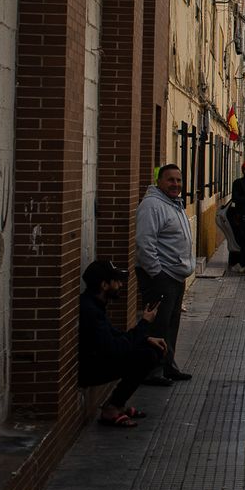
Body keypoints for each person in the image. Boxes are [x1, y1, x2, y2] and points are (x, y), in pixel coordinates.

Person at [78, 260, 167, 427]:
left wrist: (146, 338)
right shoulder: (90, 310)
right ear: (104, 285)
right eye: (116, 281)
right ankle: (111, 408)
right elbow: (115, 348)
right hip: (90, 369)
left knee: (151, 348)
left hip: (99, 360)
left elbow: (113, 334)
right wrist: (144, 324)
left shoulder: (95, 304)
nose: (120, 285)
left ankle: (118, 404)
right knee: (147, 355)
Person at [136, 164, 194, 383]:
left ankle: (168, 366)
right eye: (170, 180)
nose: (176, 185)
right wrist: (157, 273)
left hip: (175, 276)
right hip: (161, 276)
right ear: (159, 181)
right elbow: (144, 242)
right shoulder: (152, 205)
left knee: (171, 323)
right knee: (158, 324)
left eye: (179, 180)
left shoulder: (173, 204)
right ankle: (152, 371)